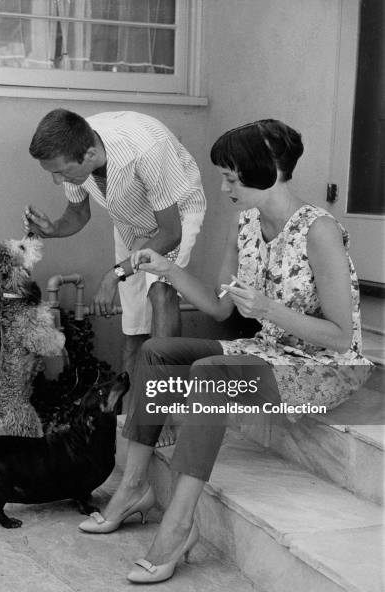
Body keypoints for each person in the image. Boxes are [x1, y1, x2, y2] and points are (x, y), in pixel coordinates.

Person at [76, 119, 373, 584]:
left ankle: (178, 525)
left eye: (232, 177)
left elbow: (340, 336)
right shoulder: (247, 224)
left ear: (270, 168)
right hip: (268, 349)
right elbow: (217, 307)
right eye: (223, 175)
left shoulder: (320, 231)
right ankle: (133, 487)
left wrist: (270, 308)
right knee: (158, 353)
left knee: (210, 374)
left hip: (324, 368)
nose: (223, 187)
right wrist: (167, 269)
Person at [23, 109, 206, 374]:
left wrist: (115, 274)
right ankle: (131, 404)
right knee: (133, 319)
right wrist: (52, 229)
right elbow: (77, 214)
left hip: (176, 214)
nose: (57, 181)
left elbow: (170, 233)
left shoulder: (146, 150)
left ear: (90, 155)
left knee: (161, 291)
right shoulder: (74, 151)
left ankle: (163, 399)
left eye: (61, 173)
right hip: (130, 220)